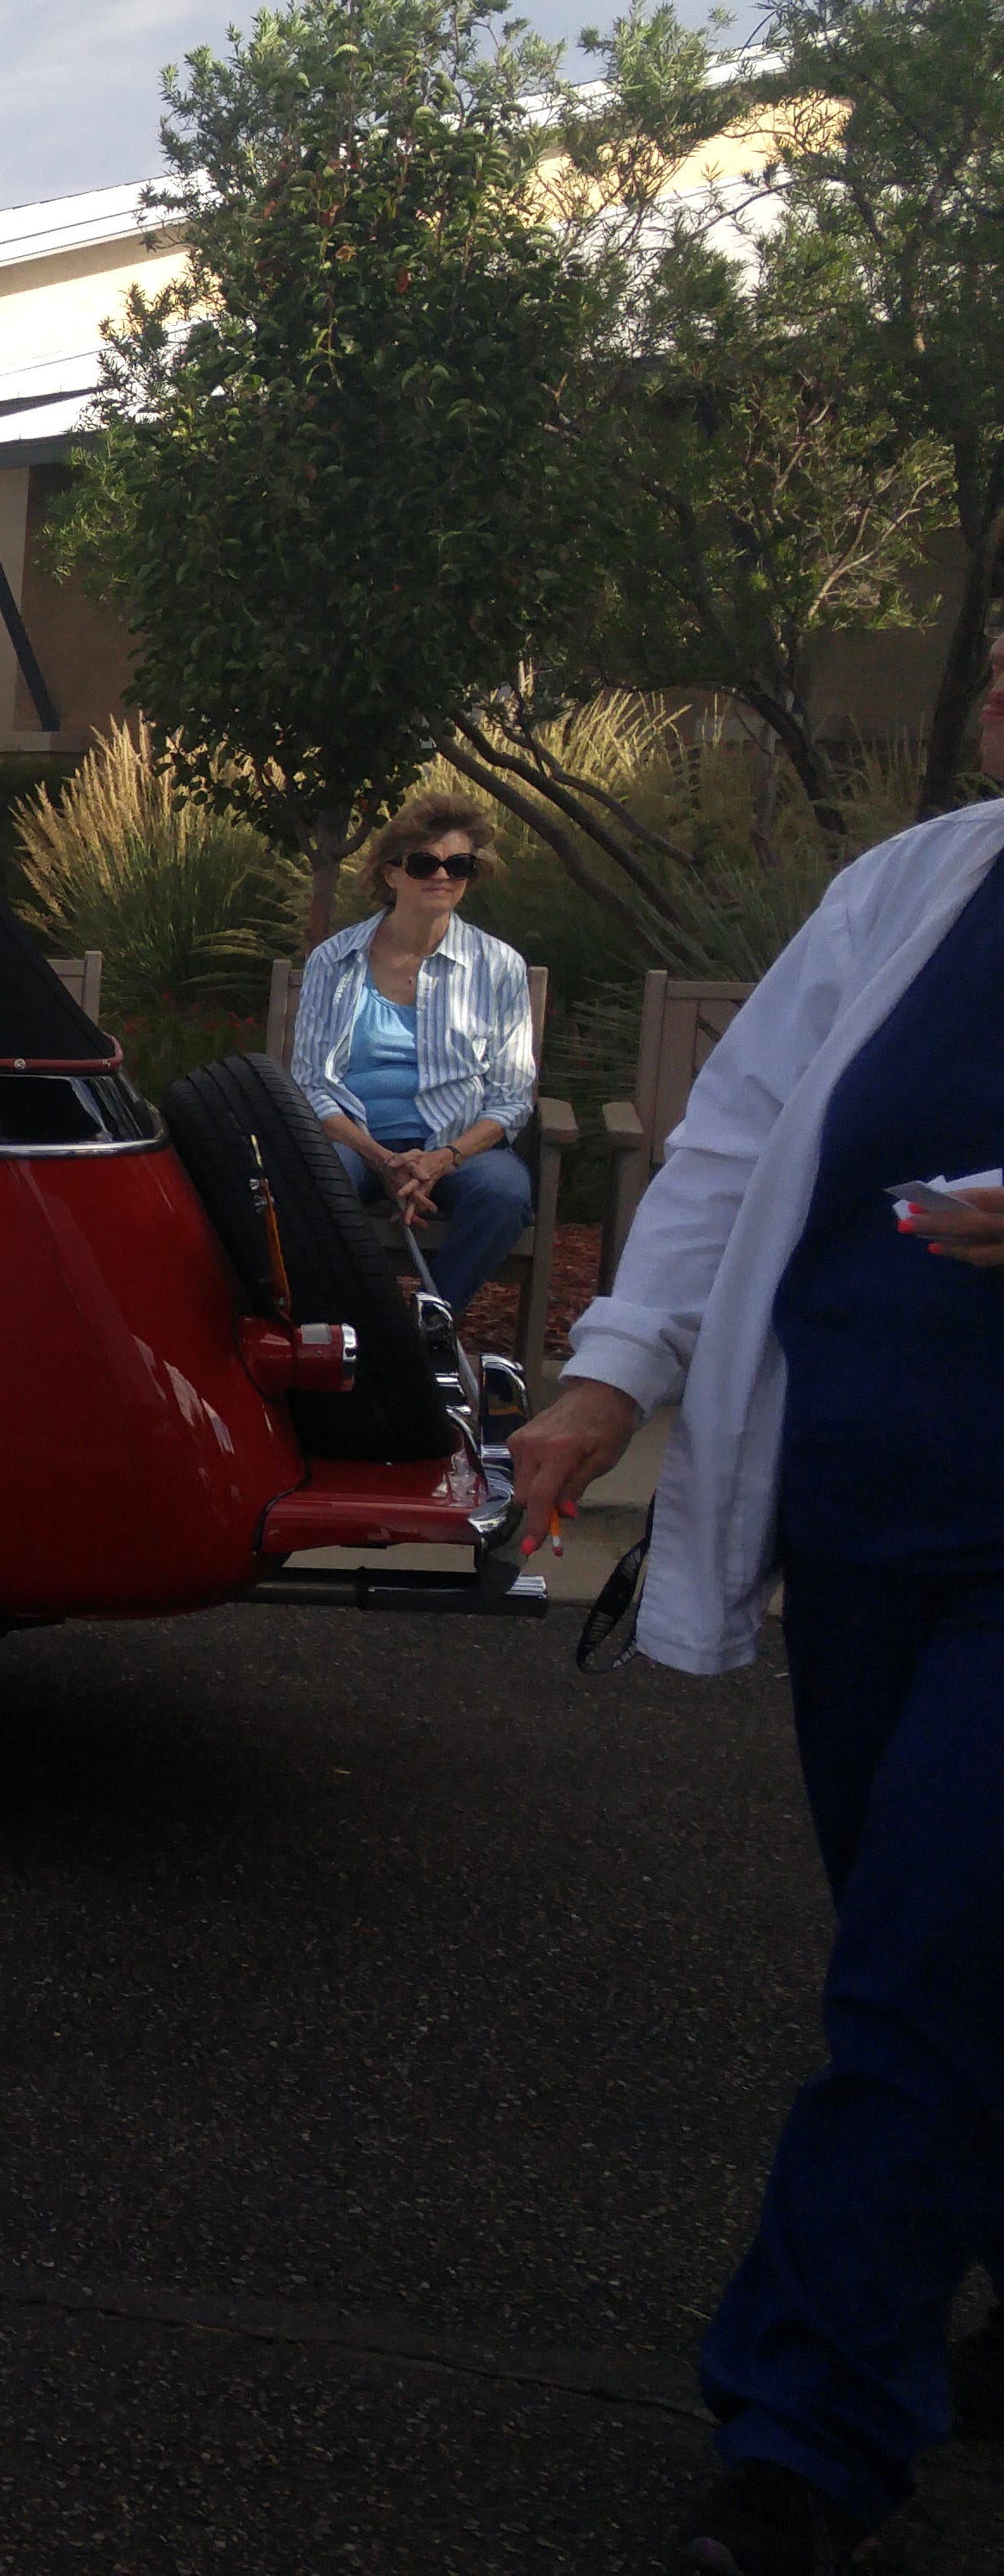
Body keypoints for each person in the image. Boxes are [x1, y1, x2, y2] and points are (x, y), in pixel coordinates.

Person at [511, 628, 1004, 2576]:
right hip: (864, 1530)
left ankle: (797, 2434)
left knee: (913, 1974)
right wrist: (602, 1371)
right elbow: (725, 1142)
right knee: (936, 1952)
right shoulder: (909, 885)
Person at [287, 792, 537, 1314]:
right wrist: (381, 1159)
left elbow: (512, 1096)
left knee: (503, 1193)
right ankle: (347, 1327)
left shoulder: (499, 966)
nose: (442, 875)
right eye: (425, 863)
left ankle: (428, 1325)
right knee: (312, 1180)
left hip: (460, 1146)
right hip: (356, 1142)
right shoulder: (335, 961)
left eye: (459, 864)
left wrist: (441, 1159)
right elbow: (311, 1083)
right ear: (390, 873)